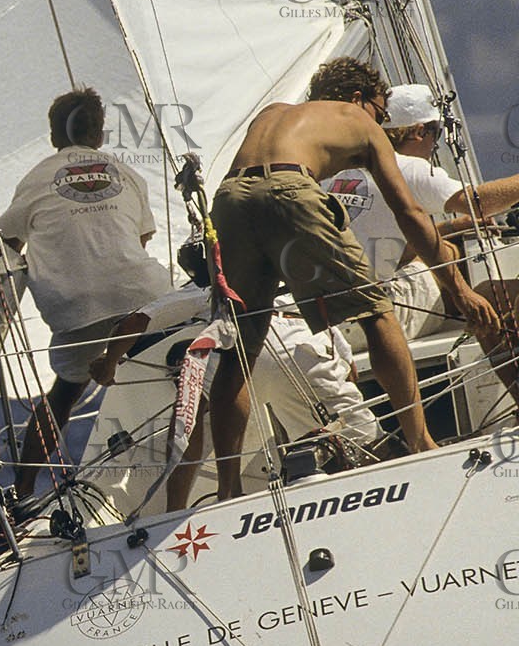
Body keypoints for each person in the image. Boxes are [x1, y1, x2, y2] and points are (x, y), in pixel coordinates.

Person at [206, 58, 498, 500]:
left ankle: (228, 491)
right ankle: (421, 443)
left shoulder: (271, 113)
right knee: (377, 315)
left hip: (229, 198)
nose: (381, 121)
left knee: (240, 350)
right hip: (291, 188)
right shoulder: (356, 121)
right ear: (359, 100)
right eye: (381, 112)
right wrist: (458, 289)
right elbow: (411, 215)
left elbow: (256, 190)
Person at [91, 239, 380, 510]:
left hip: (240, 351)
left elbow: (137, 321)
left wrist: (108, 364)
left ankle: (191, 506)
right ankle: (380, 484)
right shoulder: (291, 276)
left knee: (190, 419)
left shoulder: (213, 282)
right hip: (302, 345)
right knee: (363, 441)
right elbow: (348, 366)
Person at [0, 86, 172, 496]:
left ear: (55, 136)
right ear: (99, 134)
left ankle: (22, 492)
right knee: (182, 363)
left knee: (62, 398)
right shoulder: (127, 173)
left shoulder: (36, 177)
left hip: (75, 311)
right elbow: (142, 238)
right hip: (141, 294)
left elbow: (7, 244)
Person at [323, 84, 519, 411]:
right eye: (436, 133)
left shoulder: (335, 172)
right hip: (374, 317)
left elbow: (383, 246)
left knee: (440, 253)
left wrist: (448, 228)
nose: (434, 145)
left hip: (325, 323)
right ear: (418, 131)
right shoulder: (407, 168)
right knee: (490, 293)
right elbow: (477, 203)